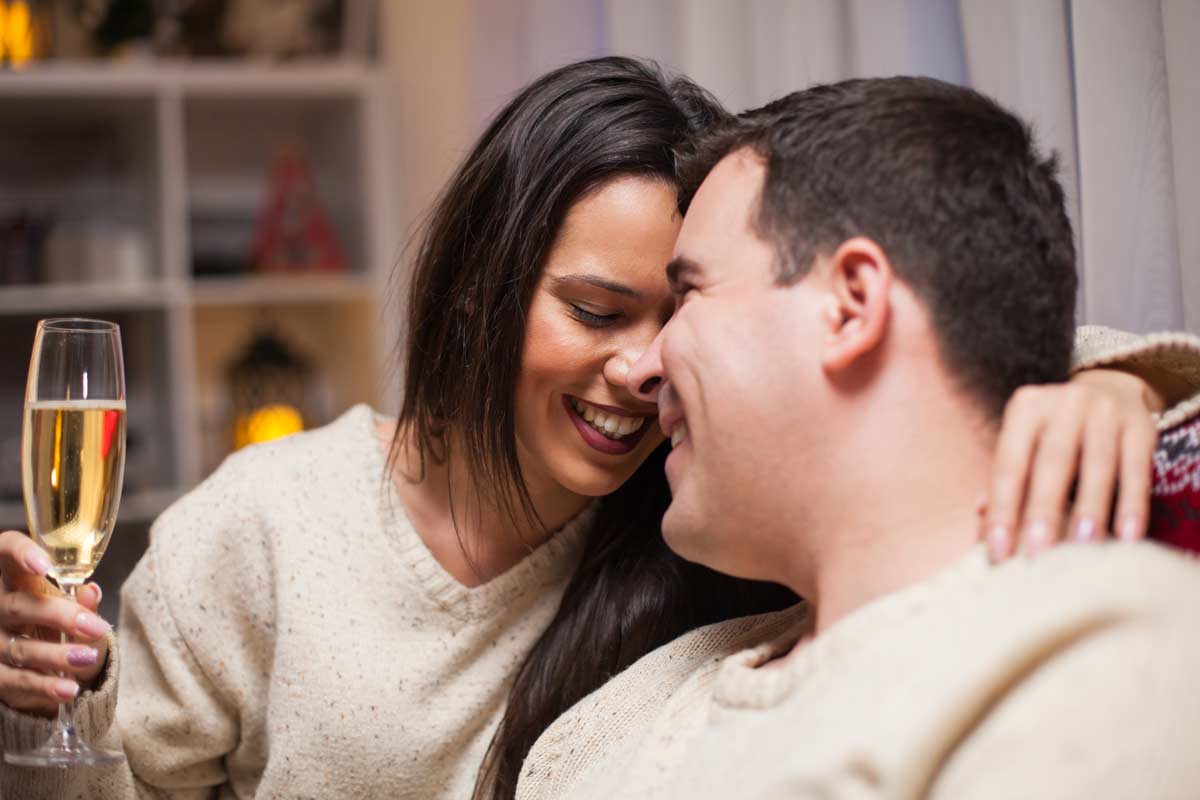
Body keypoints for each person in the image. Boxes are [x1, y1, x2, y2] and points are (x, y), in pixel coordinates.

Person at [0, 59, 1190, 800]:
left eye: (683, 307)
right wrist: (44, 697)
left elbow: (937, 319)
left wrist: (1119, 385)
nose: (646, 366)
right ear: (481, 288)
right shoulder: (265, 528)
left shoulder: (688, 535)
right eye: (597, 310)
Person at [515, 77, 1200, 800]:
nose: (643, 370)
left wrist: (1136, 378)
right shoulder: (608, 725)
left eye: (687, 296)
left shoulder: (1104, 658)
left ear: (851, 307)